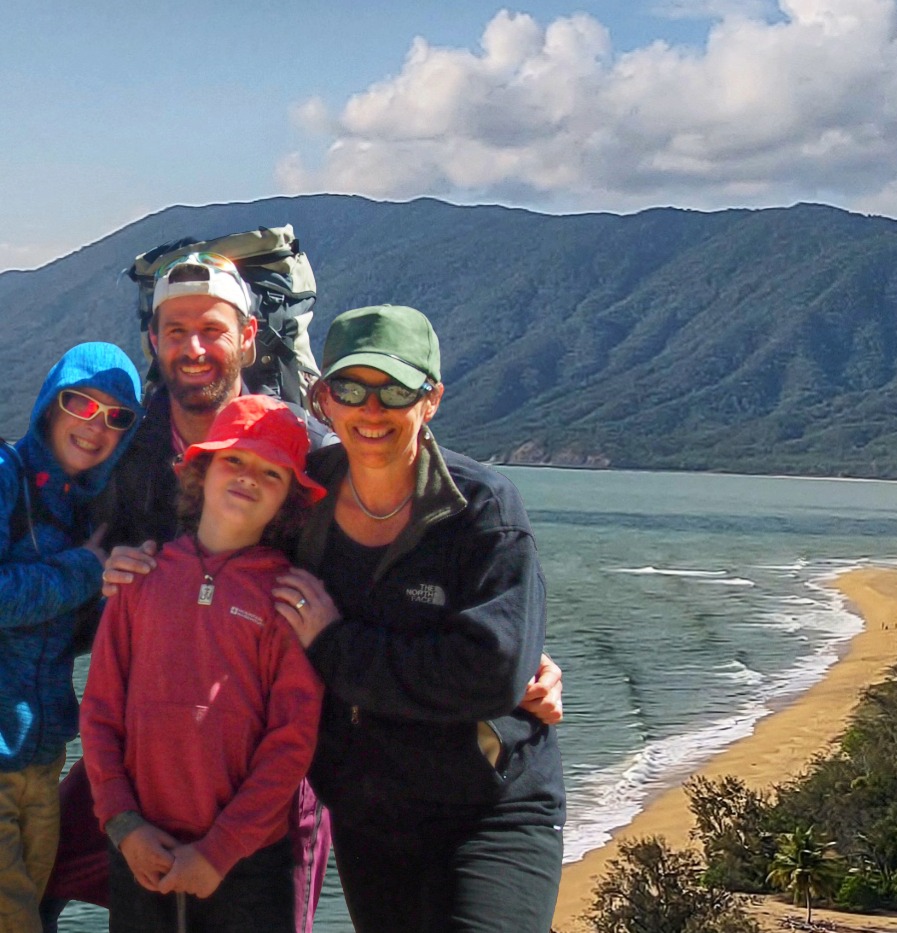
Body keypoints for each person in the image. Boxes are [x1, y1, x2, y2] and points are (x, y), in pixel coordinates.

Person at [65, 253, 563, 930]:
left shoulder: (315, 458)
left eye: (212, 329)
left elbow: (462, 609)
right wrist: (99, 580)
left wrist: (521, 662)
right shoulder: (127, 447)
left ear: (247, 336)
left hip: (288, 803)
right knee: (36, 864)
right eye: (174, 330)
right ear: (151, 340)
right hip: (207, 786)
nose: (193, 347)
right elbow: (67, 575)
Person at [275, 305, 565, 932]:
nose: (370, 410)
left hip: (490, 806)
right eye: (350, 388)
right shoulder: (302, 501)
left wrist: (331, 643)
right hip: (371, 816)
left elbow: (486, 675)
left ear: (431, 400)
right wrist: (134, 569)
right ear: (323, 398)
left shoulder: (481, 507)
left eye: (395, 390)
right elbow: (225, 564)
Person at [81, 395, 327, 933]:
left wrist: (221, 850)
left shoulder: (286, 600)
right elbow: (99, 713)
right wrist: (122, 823)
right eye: (233, 460)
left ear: (288, 501)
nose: (248, 478)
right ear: (201, 469)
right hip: (139, 847)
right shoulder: (140, 578)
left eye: (272, 473)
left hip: (248, 862)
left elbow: (291, 744)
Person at [1, 342, 143, 933]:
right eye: (80, 402)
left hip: (43, 759)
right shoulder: (7, 476)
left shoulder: (86, 511)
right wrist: (85, 571)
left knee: (32, 910)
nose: (95, 425)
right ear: (49, 404)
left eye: (117, 417)